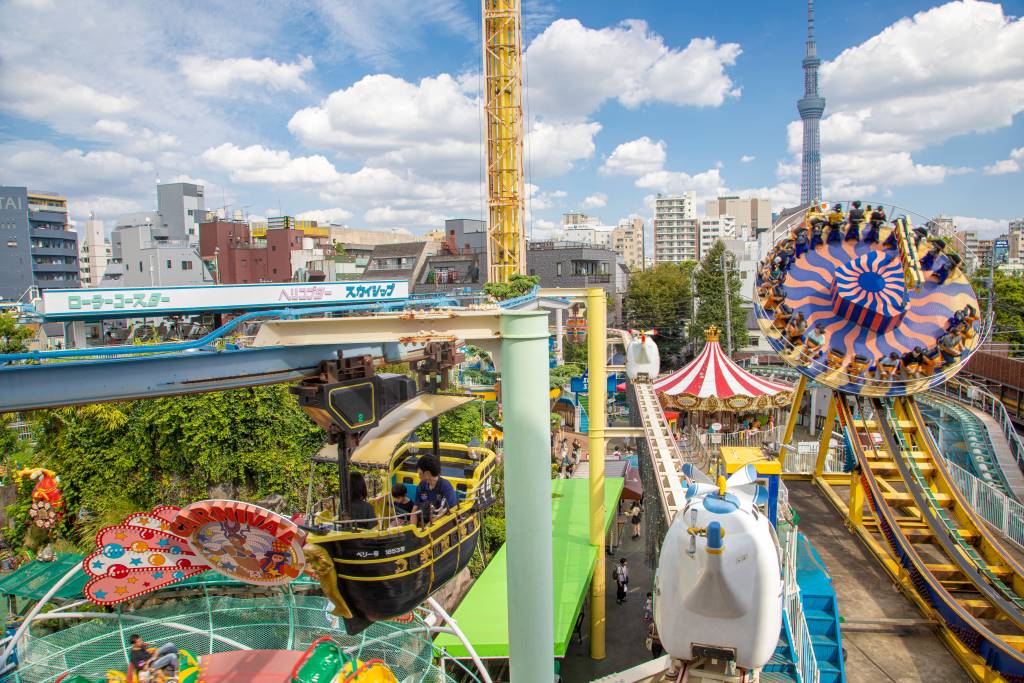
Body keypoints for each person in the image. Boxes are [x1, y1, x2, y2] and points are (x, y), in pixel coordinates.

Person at [412, 455, 459, 526]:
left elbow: (443, 513)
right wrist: (412, 528)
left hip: (441, 525)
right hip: (424, 523)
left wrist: (427, 528)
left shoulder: (446, 487)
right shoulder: (421, 485)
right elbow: (415, 509)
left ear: (427, 473)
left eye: (419, 471)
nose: (418, 474)